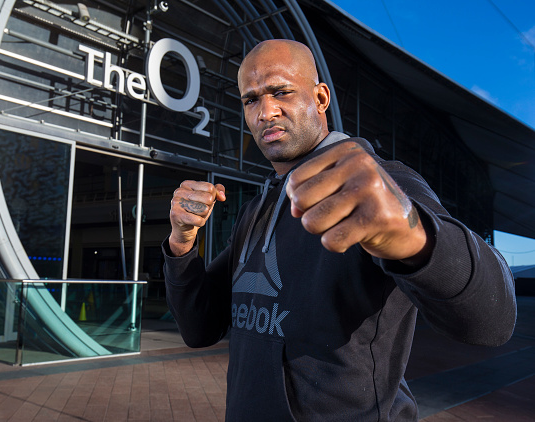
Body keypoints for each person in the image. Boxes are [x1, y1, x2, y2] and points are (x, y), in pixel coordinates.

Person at [162, 39, 516, 421]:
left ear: (320, 98)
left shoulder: (379, 184)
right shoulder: (254, 210)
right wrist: (181, 243)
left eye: (281, 91)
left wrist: (414, 238)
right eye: (251, 100)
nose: (266, 111)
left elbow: (493, 320)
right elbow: (199, 328)